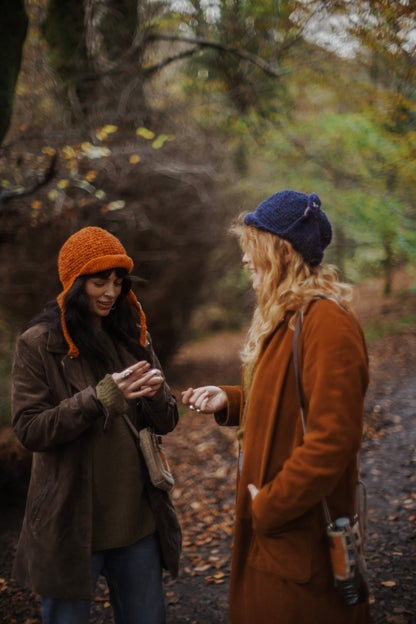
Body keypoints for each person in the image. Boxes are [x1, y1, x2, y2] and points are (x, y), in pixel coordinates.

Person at [182, 190, 371, 623]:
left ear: (282, 252)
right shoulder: (286, 318)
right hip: (278, 539)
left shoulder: (326, 323)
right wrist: (230, 399)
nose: (246, 259)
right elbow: (287, 400)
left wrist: (269, 507)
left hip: (299, 540)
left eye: (253, 247)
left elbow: (333, 441)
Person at [11, 226, 181, 624]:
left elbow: (168, 420)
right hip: (71, 525)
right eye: (98, 281)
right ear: (73, 283)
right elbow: (30, 429)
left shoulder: (132, 335)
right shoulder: (38, 344)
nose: (110, 292)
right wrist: (100, 398)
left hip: (137, 523)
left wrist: (157, 394)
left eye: (118, 282)